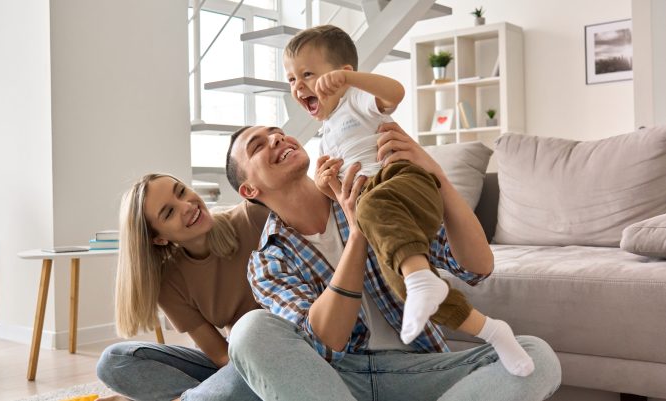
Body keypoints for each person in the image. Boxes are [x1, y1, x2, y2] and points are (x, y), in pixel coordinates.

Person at [224, 124, 562, 400]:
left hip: (420, 371)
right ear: (249, 191)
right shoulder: (268, 262)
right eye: (258, 145)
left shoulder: (374, 194)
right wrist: (357, 232)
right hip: (339, 383)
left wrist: (437, 176)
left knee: (536, 356)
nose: (276, 138)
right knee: (249, 331)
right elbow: (328, 340)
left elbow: (477, 267)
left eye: (277, 132)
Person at [282, 24, 533, 375]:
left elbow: (394, 92)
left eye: (307, 74)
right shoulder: (324, 139)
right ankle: (493, 331)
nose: (298, 86)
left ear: (343, 75)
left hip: (404, 182)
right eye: (291, 79)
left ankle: (421, 282)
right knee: (405, 285)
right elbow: (350, 203)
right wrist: (332, 189)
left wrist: (349, 81)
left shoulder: (356, 100)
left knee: (372, 207)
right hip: (375, 208)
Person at [95, 173, 268, 401]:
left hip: (286, 348)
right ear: (158, 239)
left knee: (237, 384)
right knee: (113, 361)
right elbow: (221, 356)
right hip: (239, 362)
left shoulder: (252, 217)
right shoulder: (168, 282)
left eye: (182, 191)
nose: (187, 206)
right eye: (169, 212)